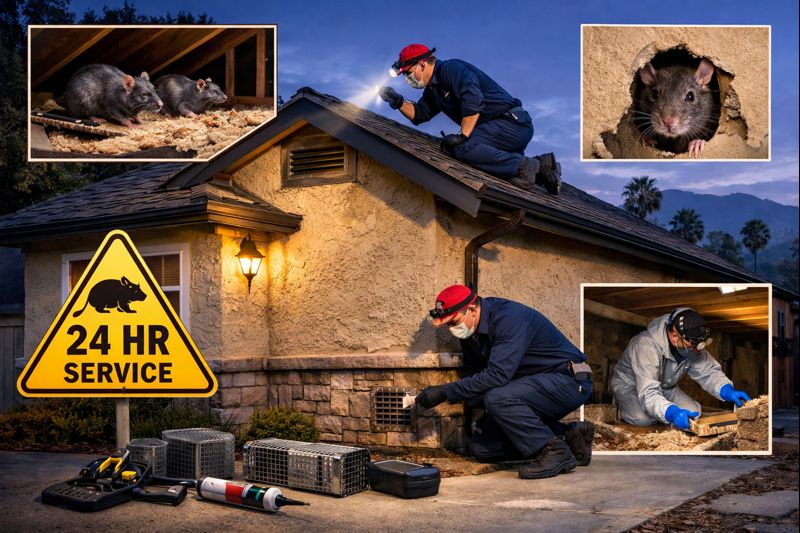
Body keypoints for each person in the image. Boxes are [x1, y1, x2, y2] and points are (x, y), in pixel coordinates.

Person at [416, 284, 594, 479]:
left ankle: (554, 451)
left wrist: (445, 391)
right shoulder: (470, 332)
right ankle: (569, 434)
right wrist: (477, 413)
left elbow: (497, 375)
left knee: (497, 398)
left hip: (568, 380)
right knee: (482, 449)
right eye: (448, 325)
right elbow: (474, 372)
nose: (452, 329)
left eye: (454, 322)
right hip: (530, 387)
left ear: (473, 309)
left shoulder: (509, 319)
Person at [378, 44, 561, 195]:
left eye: (409, 74)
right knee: (469, 151)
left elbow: (473, 99)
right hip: (494, 134)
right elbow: (420, 114)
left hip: (511, 123)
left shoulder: (451, 69)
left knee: (463, 149)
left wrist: (463, 136)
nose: (408, 80)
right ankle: (543, 170)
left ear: (422, 65)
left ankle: (526, 165)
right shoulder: (433, 90)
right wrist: (397, 101)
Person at [611, 308, 752, 430]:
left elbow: (709, 373)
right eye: (692, 345)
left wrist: (727, 390)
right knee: (643, 419)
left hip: (665, 387)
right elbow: (648, 392)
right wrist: (671, 412)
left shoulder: (691, 346)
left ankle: (662, 411)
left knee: (693, 413)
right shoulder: (646, 345)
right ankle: (623, 408)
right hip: (631, 386)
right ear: (674, 336)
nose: (698, 349)